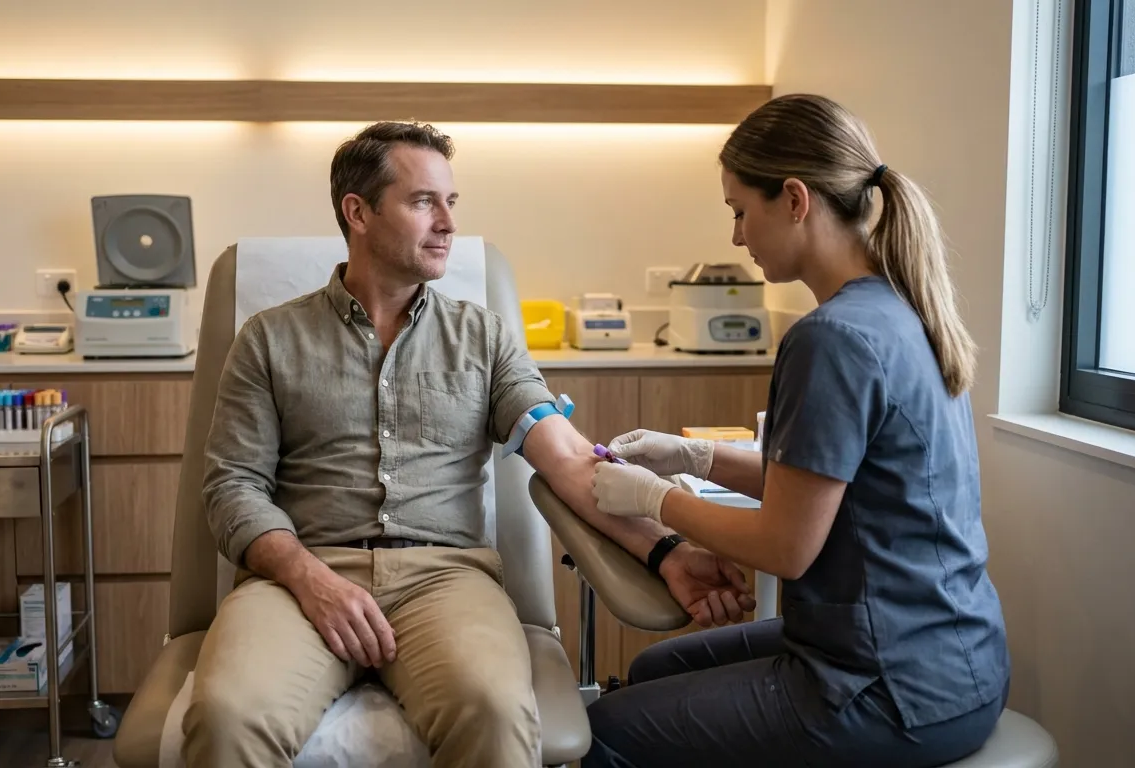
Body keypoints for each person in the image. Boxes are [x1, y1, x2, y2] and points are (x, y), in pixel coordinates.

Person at [184, 120, 757, 768]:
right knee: (228, 718)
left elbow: (571, 463)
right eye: (423, 201)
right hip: (299, 576)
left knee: (494, 710)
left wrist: (667, 554)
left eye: (450, 202)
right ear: (359, 212)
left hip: (444, 580)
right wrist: (306, 577)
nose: (447, 222)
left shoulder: (483, 338)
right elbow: (232, 486)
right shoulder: (268, 339)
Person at [585, 94, 1011, 767]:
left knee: (605, 730)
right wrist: (691, 456)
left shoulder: (831, 338)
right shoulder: (900, 308)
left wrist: (652, 499)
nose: (736, 237)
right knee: (651, 674)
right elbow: (823, 481)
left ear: (793, 199)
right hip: (955, 659)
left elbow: (786, 546)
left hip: (889, 687)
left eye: (739, 212)